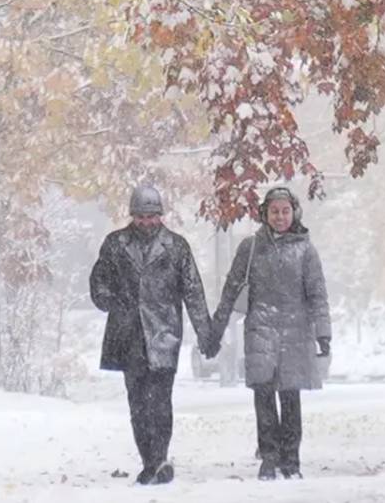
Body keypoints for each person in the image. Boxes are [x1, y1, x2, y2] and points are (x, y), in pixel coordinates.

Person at [89, 184, 215, 485]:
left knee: (160, 402)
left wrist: (205, 333)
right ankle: (150, 460)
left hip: (163, 334)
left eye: (152, 216)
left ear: (160, 215)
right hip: (128, 335)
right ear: (132, 215)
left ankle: (158, 459)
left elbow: (193, 292)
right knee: (138, 404)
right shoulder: (115, 244)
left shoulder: (176, 246)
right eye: (141, 216)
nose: (147, 222)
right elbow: (98, 282)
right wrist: (111, 301)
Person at [209, 186, 331, 480]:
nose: (280, 217)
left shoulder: (306, 250)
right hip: (260, 331)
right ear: (265, 214)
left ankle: (291, 460)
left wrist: (323, 333)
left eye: (285, 211)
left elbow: (317, 294)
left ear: (294, 213)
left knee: (291, 399)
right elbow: (231, 290)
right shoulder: (250, 248)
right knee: (263, 397)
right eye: (274, 211)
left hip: (296, 332)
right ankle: (269, 457)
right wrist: (215, 328)